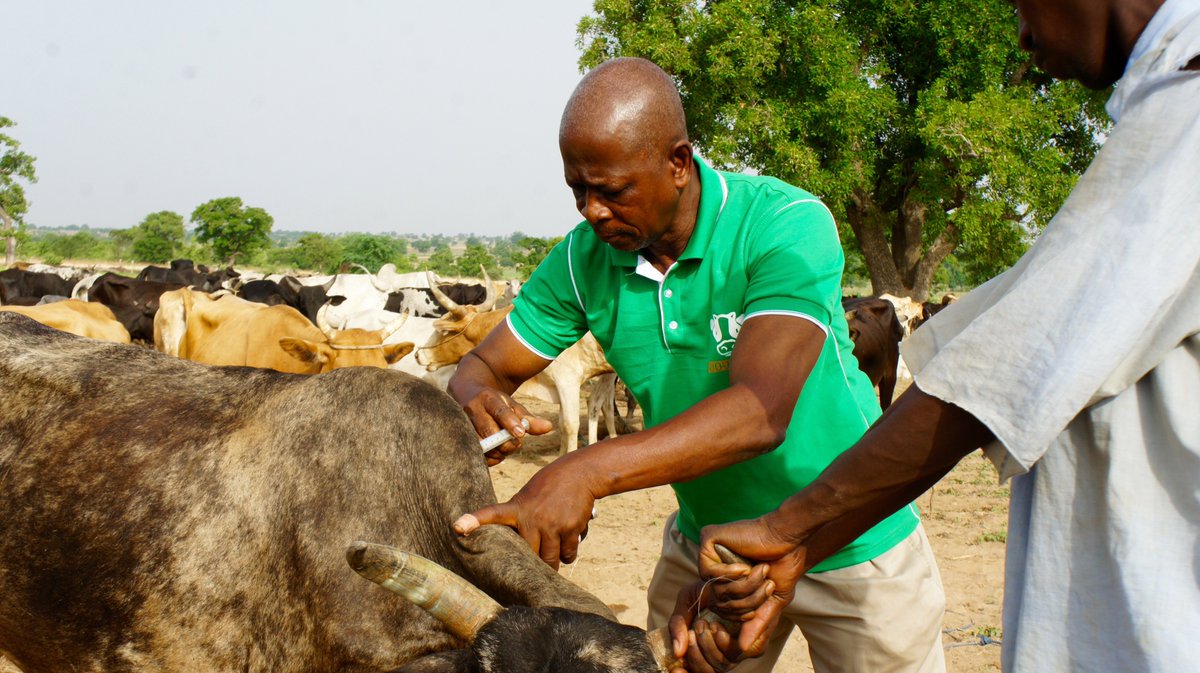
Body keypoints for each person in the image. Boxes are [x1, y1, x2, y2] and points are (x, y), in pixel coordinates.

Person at [674, 1, 1200, 672]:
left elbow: (983, 384)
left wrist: (787, 530)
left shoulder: (1190, 109)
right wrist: (797, 545)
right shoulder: (1163, 103)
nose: (1023, 34)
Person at [446, 57, 946, 673]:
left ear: (678, 164)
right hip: (711, 552)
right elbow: (481, 366)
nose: (592, 212)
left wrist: (582, 471)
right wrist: (477, 395)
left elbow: (761, 413)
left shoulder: (782, 223)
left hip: (853, 541)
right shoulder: (584, 260)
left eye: (612, 190)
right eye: (578, 190)